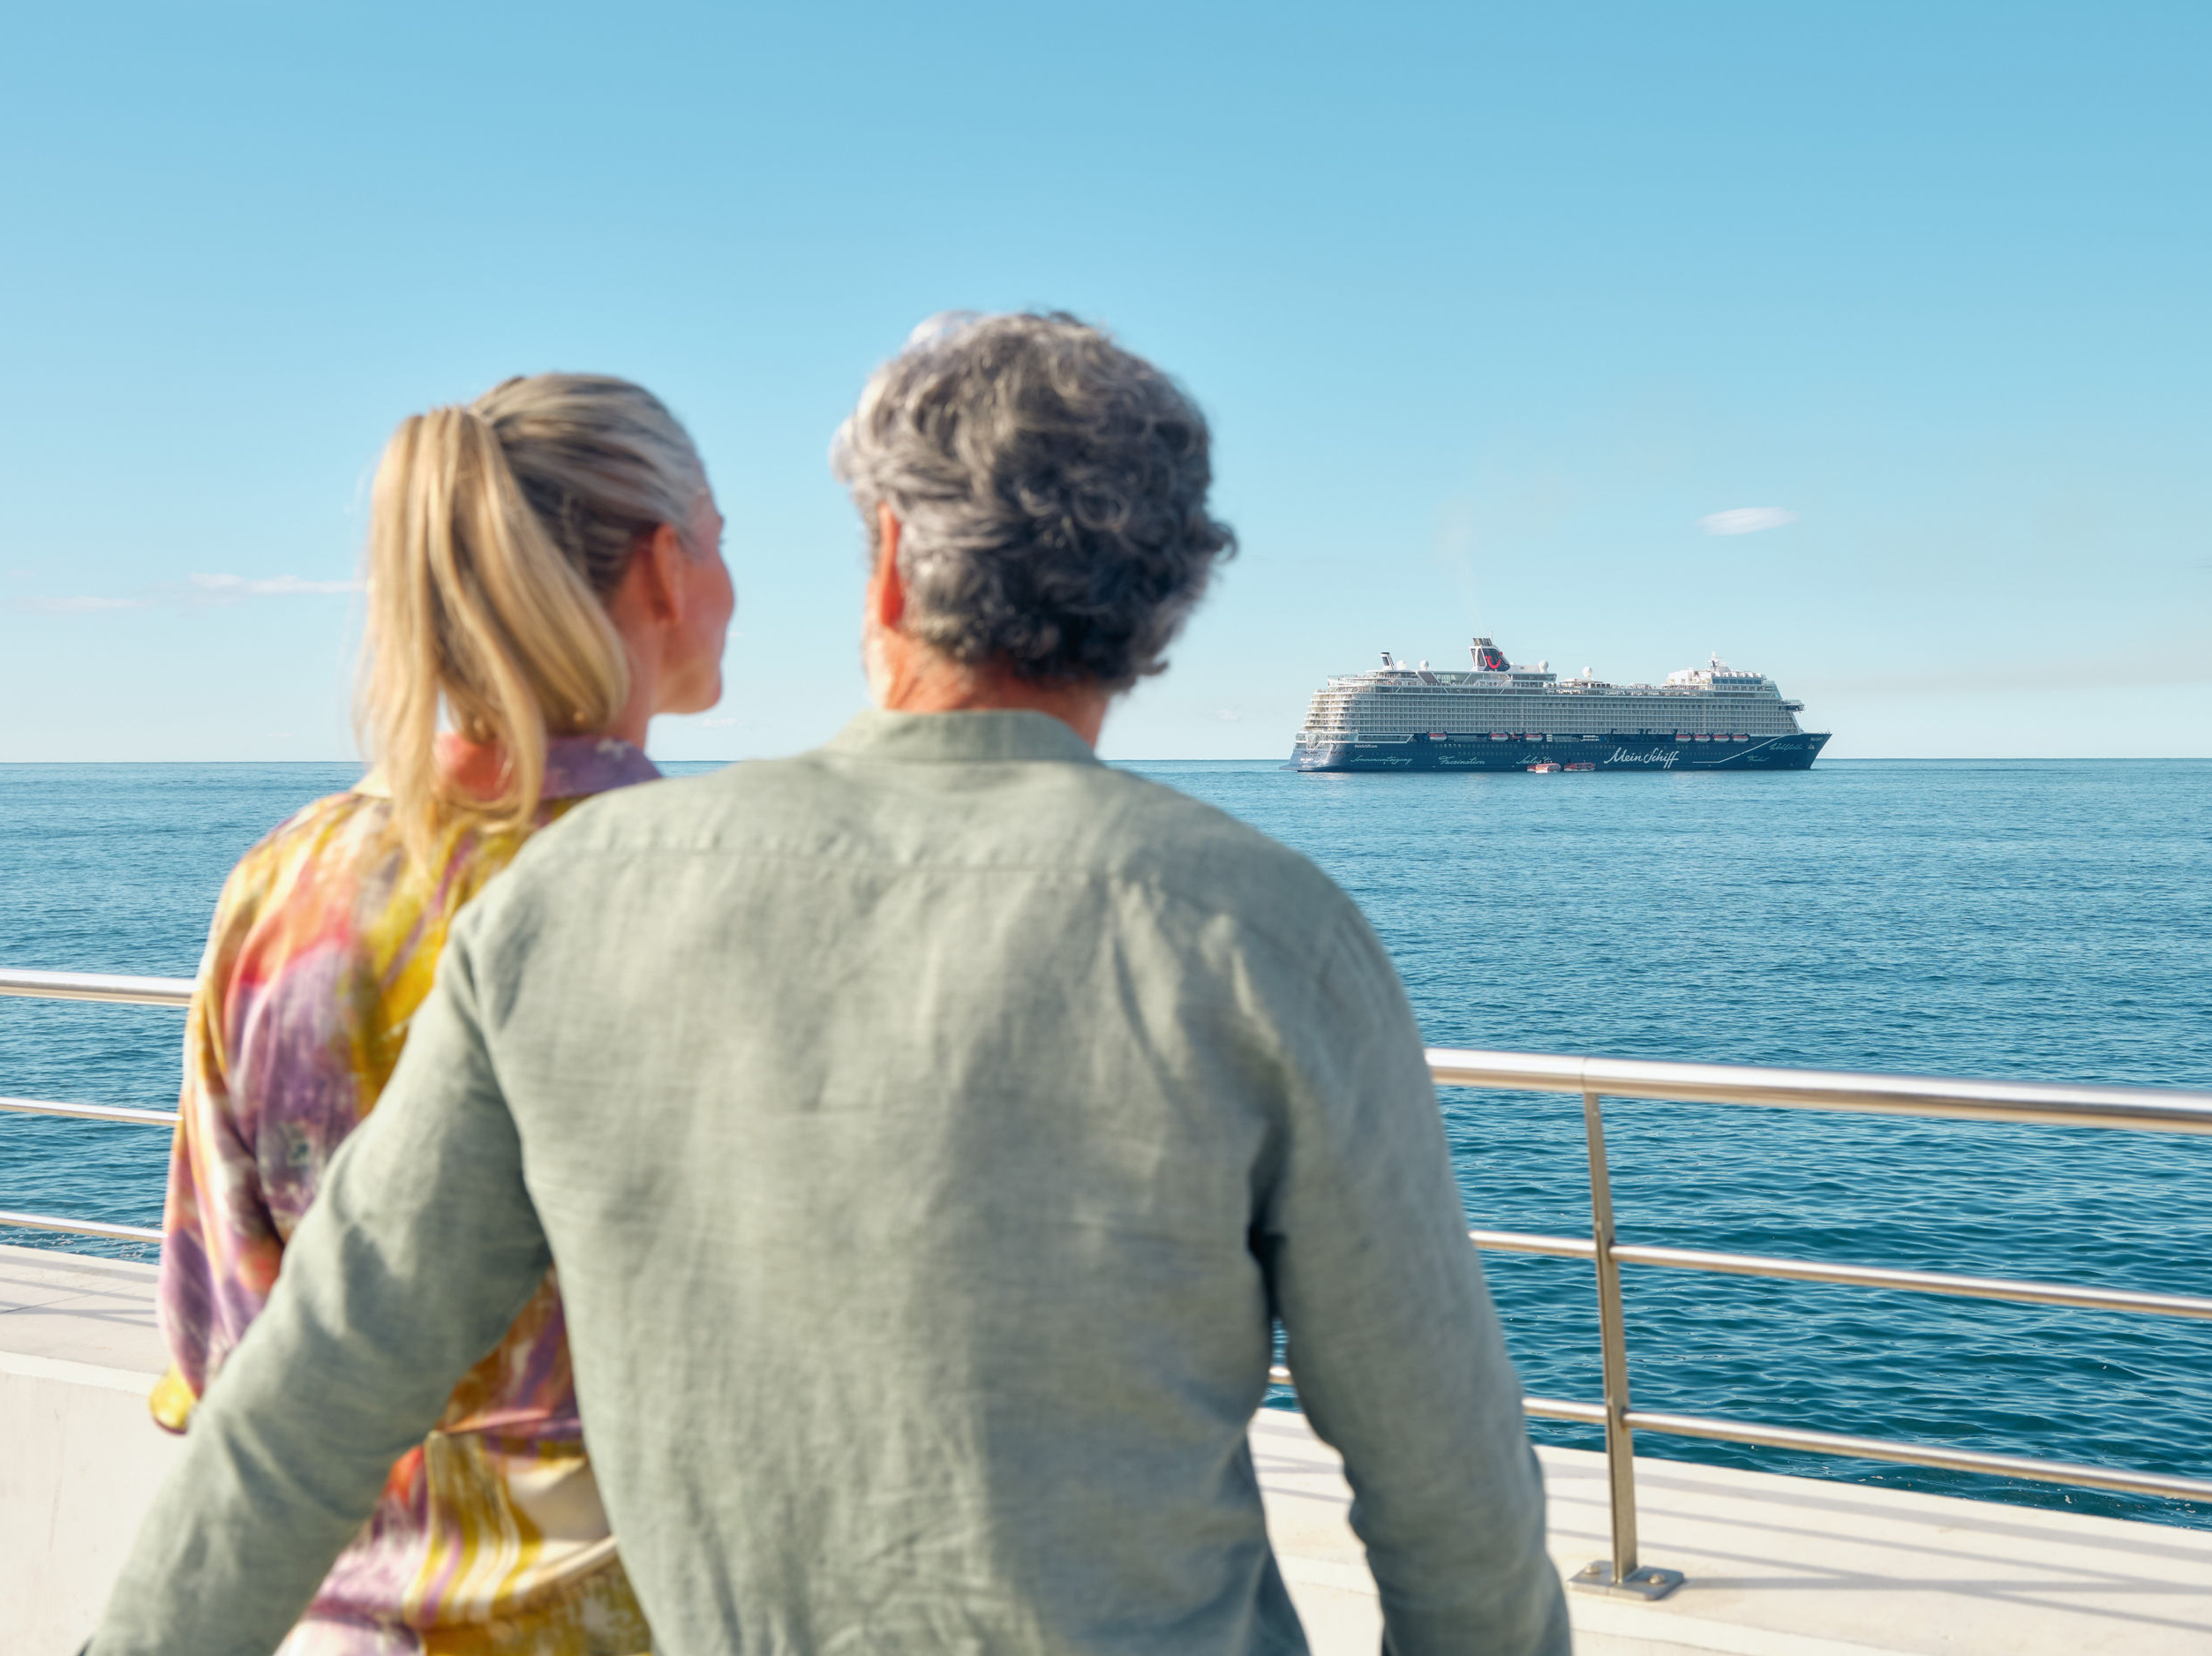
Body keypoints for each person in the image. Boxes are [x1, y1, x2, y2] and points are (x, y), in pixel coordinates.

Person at [89, 313, 1571, 1656]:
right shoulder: (1271, 932)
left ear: (884, 563)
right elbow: (1451, 1498)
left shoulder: (576, 896)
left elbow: (309, 1391)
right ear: (1163, 613)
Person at [151, 372, 731, 1655]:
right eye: (723, 539)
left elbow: (219, 1333)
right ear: (662, 568)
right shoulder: (719, 892)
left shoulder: (285, 884)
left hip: (335, 1615)